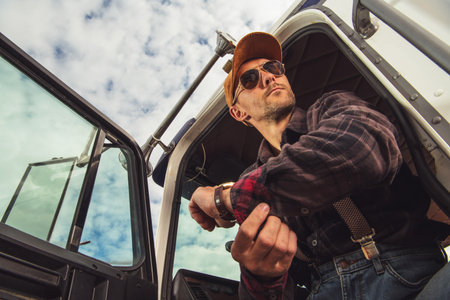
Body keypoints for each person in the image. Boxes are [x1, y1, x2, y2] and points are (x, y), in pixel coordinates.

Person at [188, 32, 449, 299]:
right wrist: (261, 277)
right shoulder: (250, 178)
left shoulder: (332, 106)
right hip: (322, 288)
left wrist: (224, 199)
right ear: (239, 112)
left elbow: (360, 150)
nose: (268, 77)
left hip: (407, 272)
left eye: (273, 67)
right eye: (250, 80)